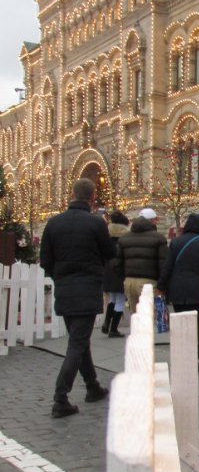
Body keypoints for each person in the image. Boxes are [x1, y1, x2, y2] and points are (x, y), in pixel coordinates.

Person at [39, 178, 113, 418]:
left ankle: (92, 386)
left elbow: (46, 261)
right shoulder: (96, 224)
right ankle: (60, 398)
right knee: (77, 343)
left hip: (64, 289)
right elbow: (109, 254)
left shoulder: (53, 223)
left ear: (72, 194)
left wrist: (60, 276)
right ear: (92, 199)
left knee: (79, 340)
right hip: (87, 289)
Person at [157, 212, 199, 373]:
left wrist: (161, 286)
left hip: (177, 291)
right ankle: (193, 362)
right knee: (195, 328)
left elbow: (167, 267)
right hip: (198, 291)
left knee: (180, 327)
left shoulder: (175, 243)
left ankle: (180, 359)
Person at [115, 207, 167, 314]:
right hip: (148, 282)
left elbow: (116, 263)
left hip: (129, 282)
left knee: (136, 318)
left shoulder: (124, 238)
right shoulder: (158, 238)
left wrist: (125, 277)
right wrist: (162, 285)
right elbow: (163, 264)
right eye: (155, 220)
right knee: (148, 317)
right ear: (151, 221)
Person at [101, 210, 130, 338]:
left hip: (108, 271)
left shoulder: (106, 236)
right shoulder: (126, 239)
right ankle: (113, 328)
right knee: (120, 300)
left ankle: (107, 322)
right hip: (121, 272)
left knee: (112, 298)